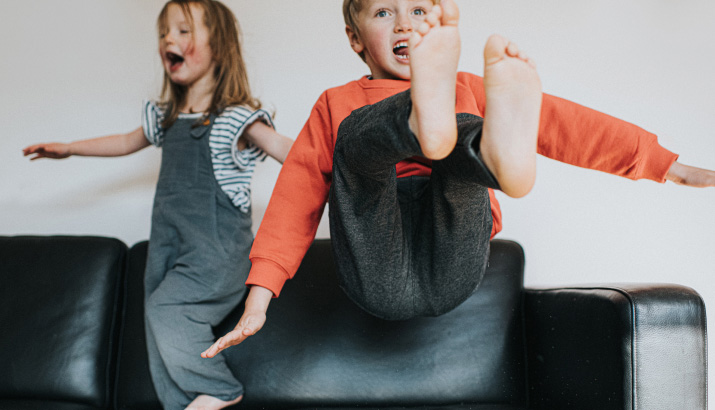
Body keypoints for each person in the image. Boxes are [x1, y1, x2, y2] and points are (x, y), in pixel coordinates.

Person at [202, 0, 715, 358]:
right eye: (384, 12)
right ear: (355, 37)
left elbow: (563, 124)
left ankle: (482, 152)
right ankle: (429, 126)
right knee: (357, 137)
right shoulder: (336, 102)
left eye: (419, 11)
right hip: (376, 263)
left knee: (461, 128)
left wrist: (663, 164)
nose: (404, 24)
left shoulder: (466, 89)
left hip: (454, 254)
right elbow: (296, 198)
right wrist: (259, 296)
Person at [22, 1, 292, 409]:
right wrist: (70, 149)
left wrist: (342, 162)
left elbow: (292, 153)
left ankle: (220, 389)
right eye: (165, 32)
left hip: (216, 255)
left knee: (168, 307)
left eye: (183, 31)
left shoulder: (236, 119)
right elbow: (126, 142)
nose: (169, 39)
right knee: (156, 319)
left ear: (218, 46)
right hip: (168, 248)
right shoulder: (165, 119)